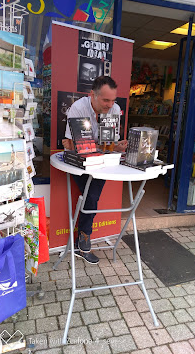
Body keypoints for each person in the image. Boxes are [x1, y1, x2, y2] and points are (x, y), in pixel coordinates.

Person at [63, 76, 127, 264]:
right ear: (93, 95)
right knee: (91, 196)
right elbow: (74, 144)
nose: (110, 105)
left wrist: (117, 147)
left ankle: (82, 242)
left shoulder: (114, 110)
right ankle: (83, 241)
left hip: (101, 161)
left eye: (113, 100)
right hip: (79, 160)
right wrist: (92, 145)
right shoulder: (78, 108)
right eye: (106, 100)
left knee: (91, 196)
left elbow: (109, 143)